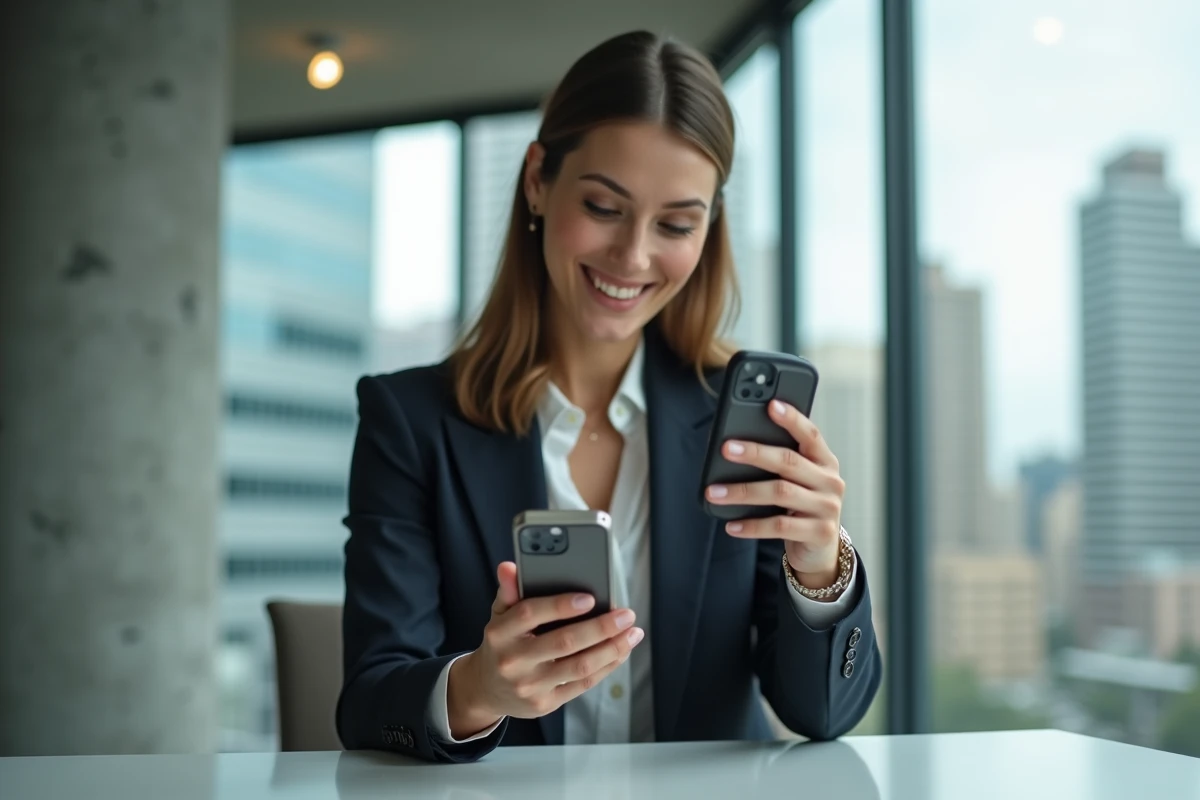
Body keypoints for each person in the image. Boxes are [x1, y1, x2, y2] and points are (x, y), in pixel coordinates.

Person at [336, 30, 880, 764]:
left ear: (709, 226)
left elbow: (821, 715)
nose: (632, 257)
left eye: (676, 224)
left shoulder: (742, 424)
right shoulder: (412, 423)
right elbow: (371, 700)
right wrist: (477, 690)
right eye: (603, 206)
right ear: (537, 180)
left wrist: (820, 565)